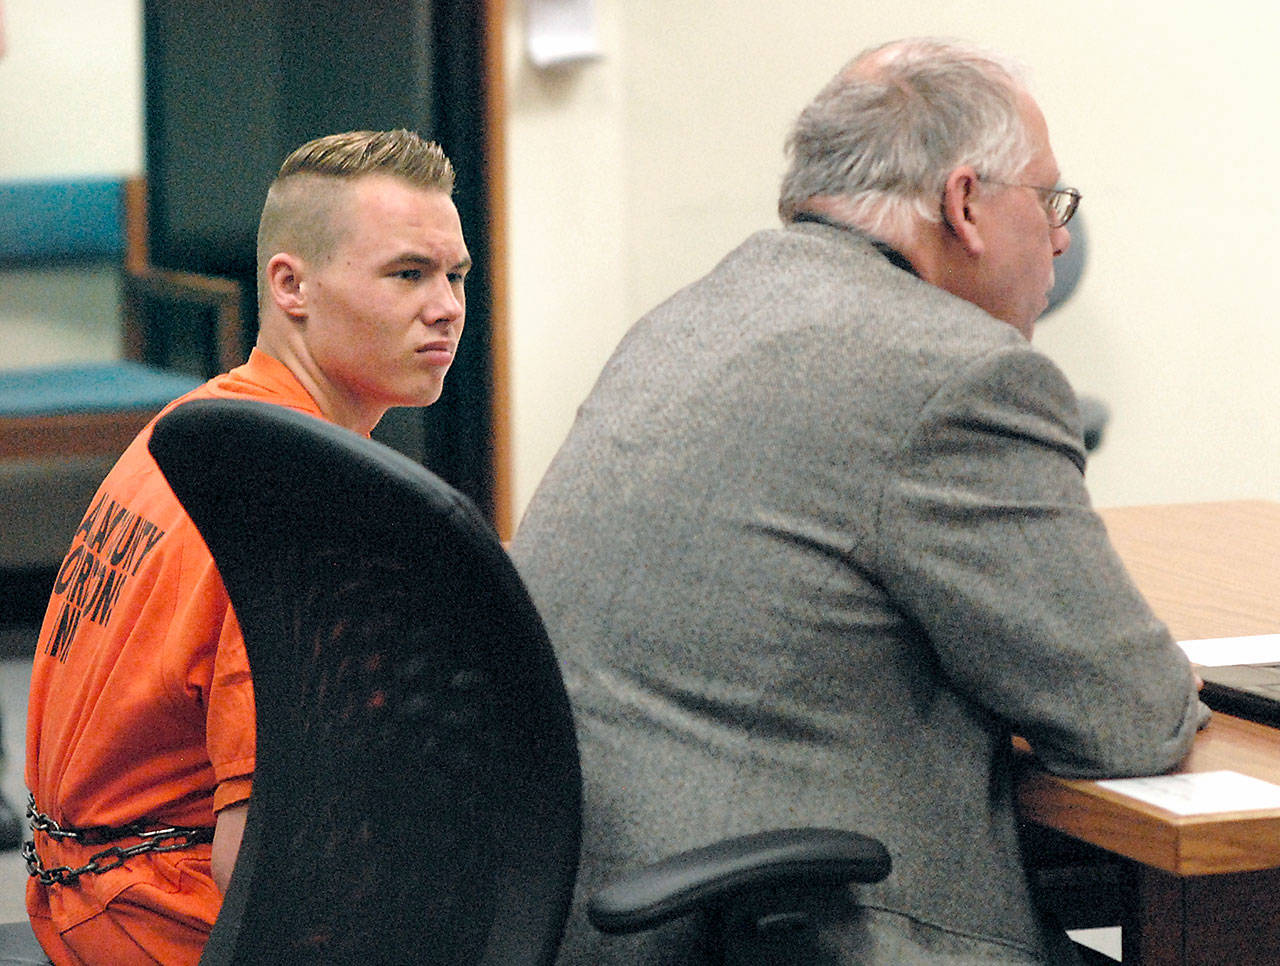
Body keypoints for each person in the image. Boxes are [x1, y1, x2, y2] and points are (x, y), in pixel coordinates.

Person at [510, 38, 1206, 965]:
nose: (1061, 236)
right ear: (965, 203)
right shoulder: (961, 375)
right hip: (798, 931)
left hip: (574, 909)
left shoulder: (688, 317)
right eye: (1050, 202)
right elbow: (1129, 720)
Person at [23, 128, 471, 965]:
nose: (445, 306)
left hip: (79, 898)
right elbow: (263, 865)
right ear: (291, 285)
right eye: (407, 274)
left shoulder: (196, 426)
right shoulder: (302, 502)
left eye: (455, 276)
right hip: (169, 928)